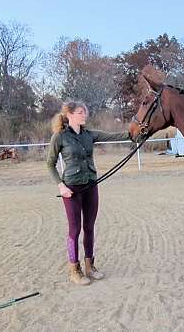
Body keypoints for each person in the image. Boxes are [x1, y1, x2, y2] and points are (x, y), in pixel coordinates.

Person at [46, 100, 132, 285]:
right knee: (74, 229)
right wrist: (61, 185)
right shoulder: (59, 137)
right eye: (80, 112)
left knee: (89, 227)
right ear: (69, 115)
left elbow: (114, 136)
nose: (84, 115)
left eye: (85, 112)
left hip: (91, 185)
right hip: (72, 189)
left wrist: (135, 134)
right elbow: (50, 164)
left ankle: (90, 266)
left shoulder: (89, 135)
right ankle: (74, 269)